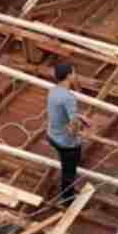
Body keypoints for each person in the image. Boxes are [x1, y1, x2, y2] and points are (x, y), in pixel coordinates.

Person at [46, 62, 88, 206]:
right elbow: (74, 125)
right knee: (69, 171)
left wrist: (78, 117)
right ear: (69, 76)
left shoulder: (53, 91)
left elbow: (60, 112)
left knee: (68, 161)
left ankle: (68, 168)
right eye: (74, 73)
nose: (75, 76)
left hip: (51, 135)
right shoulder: (68, 97)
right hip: (65, 143)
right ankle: (68, 199)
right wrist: (77, 133)